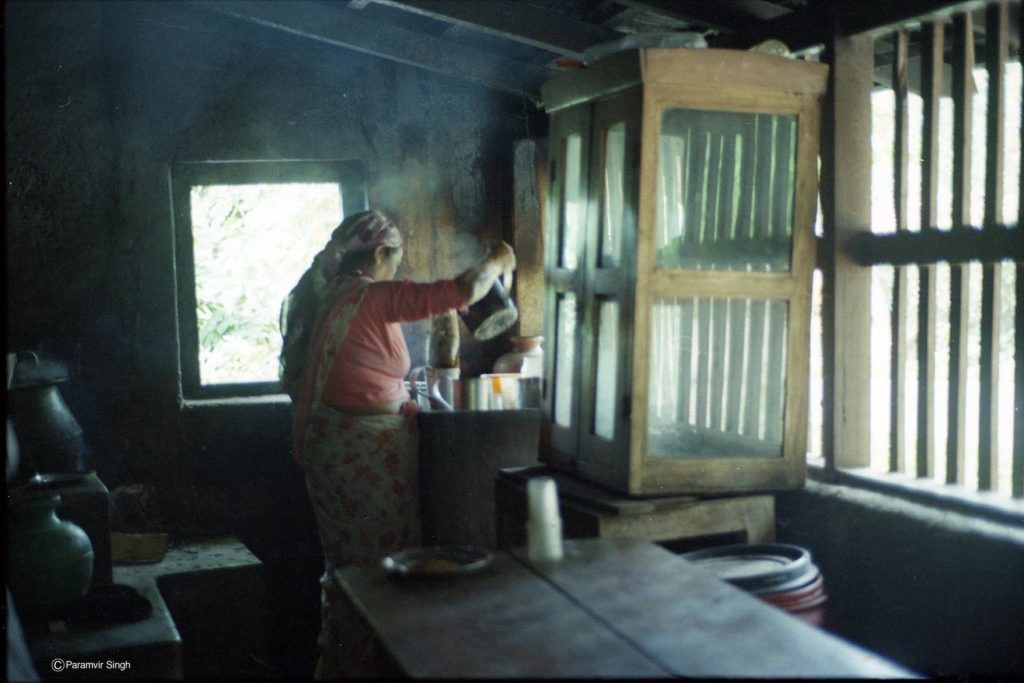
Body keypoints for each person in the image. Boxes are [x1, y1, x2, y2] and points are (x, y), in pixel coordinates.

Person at [278, 209, 515, 678]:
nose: (398, 268)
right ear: (381, 253)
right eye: (397, 257)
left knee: (354, 574)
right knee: (376, 579)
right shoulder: (371, 297)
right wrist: (498, 259)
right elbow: (464, 290)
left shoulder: (328, 296)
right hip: (361, 458)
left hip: (337, 454)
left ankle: (347, 665)